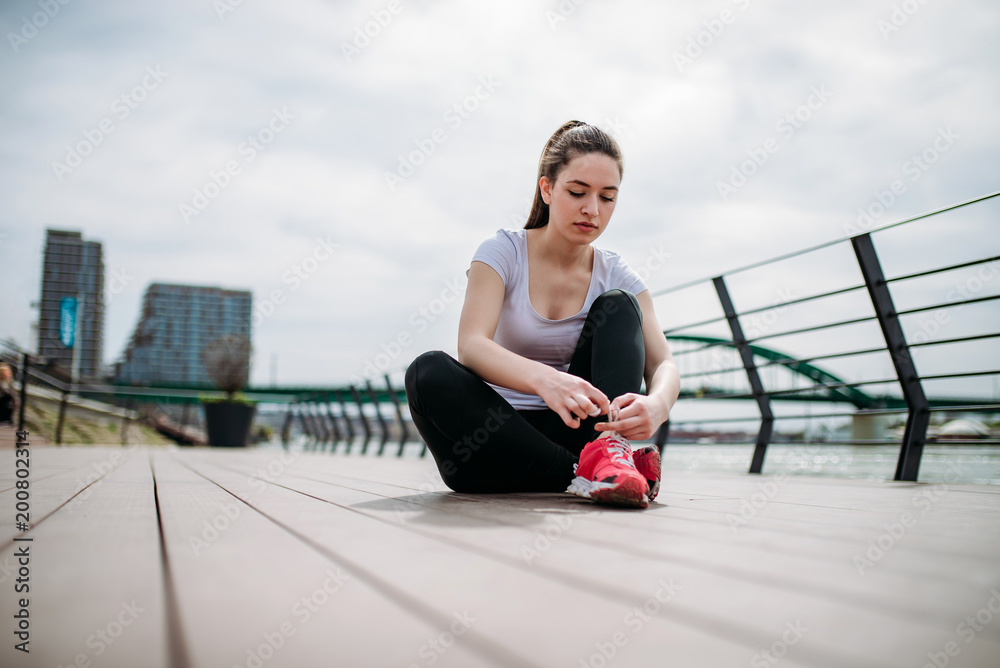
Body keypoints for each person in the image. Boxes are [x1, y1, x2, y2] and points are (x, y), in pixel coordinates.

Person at [405, 120, 680, 508]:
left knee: (620, 304)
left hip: (575, 431)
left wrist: (659, 405)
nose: (592, 209)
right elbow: (471, 345)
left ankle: (606, 457)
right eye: (578, 191)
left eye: (607, 197)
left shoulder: (617, 273)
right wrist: (546, 381)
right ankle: (586, 472)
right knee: (427, 372)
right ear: (547, 188)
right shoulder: (502, 252)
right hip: (488, 443)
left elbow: (663, 361)